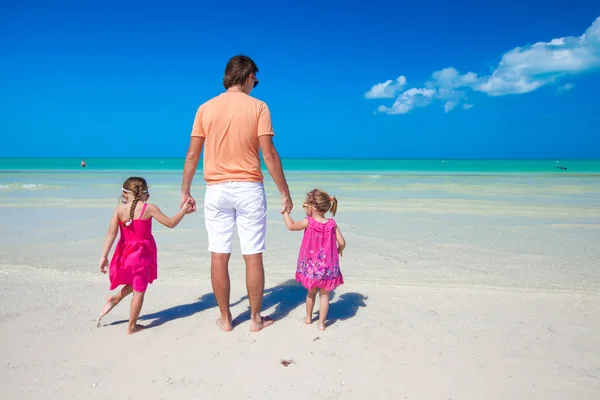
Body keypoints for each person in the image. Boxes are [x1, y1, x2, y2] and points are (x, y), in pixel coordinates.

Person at [180, 55, 293, 332]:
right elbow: (269, 154)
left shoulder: (205, 108)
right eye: (256, 79)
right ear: (246, 76)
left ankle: (226, 319)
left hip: (216, 189)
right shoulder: (259, 107)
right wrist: (284, 191)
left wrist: (185, 190)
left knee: (219, 254)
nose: (256, 84)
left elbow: (193, 154)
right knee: (253, 255)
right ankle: (255, 319)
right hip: (249, 188)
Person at [97, 177, 192, 334]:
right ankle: (132, 326)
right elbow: (171, 223)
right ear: (146, 195)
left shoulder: (119, 209)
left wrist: (104, 256)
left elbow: (111, 233)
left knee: (136, 281)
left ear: (124, 194)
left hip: (125, 252)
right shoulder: (149, 208)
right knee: (139, 290)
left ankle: (116, 298)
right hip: (143, 254)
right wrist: (183, 211)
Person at [282, 189, 346, 331]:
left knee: (311, 293)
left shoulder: (309, 222)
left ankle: (308, 318)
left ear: (311, 208)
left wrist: (284, 212)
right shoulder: (332, 224)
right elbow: (342, 243)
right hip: (328, 268)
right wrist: (339, 251)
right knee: (325, 296)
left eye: (304, 205)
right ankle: (322, 323)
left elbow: (291, 226)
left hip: (312, 268)